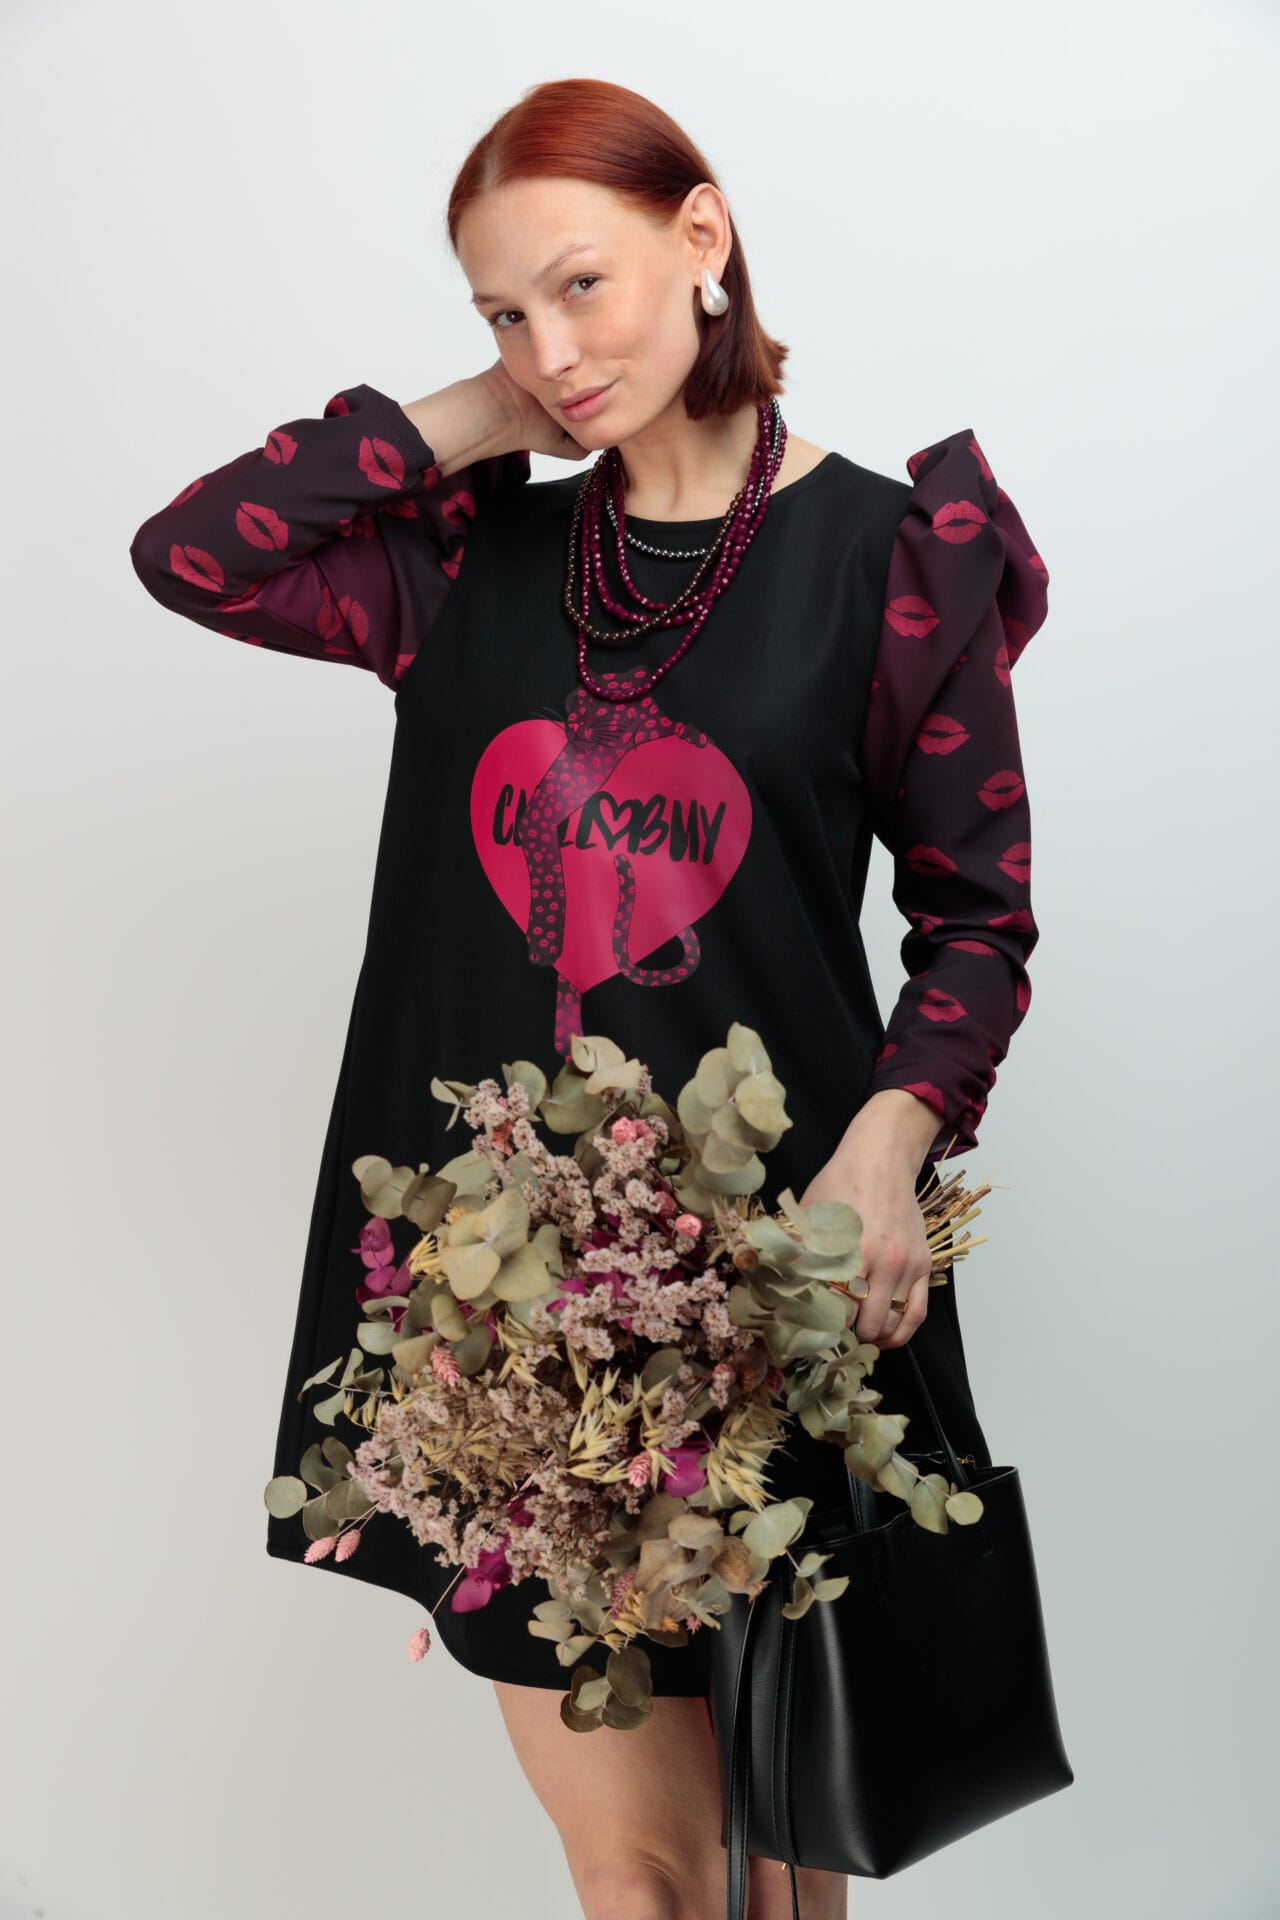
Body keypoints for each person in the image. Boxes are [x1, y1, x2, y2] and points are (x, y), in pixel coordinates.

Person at [129, 75, 1049, 1920]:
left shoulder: (891, 565)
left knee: (778, 1876)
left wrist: (887, 1148)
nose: (552, 349)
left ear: (702, 238)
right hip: (504, 1329)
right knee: (640, 1880)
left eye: (581, 287)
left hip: (772, 1293)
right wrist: (489, 413)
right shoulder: (465, 559)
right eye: (501, 311)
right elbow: (193, 553)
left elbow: (977, 921)